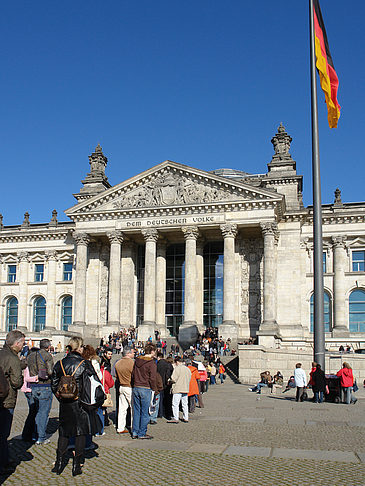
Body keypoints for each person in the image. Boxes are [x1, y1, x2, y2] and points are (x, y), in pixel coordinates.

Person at [51, 337, 101, 476]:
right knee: (80, 433)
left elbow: (54, 384)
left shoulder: (60, 363)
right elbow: (94, 383)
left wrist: (61, 397)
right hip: (80, 403)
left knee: (64, 433)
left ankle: (59, 464)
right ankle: (76, 466)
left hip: (65, 403)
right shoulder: (84, 364)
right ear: (79, 348)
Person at [0, 330, 25, 474]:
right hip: (7, 399)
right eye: (22, 343)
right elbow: (16, 383)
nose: (23, 346)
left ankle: (5, 459)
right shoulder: (13, 358)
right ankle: (3, 464)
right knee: (3, 434)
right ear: (16, 343)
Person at [26, 338, 54, 444]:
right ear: (48, 347)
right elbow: (50, 372)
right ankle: (41, 437)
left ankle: (34, 435)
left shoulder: (31, 355)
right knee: (43, 412)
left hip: (33, 386)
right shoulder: (47, 356)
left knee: (35, 411)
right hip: (45, 385)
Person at [131, 343, 157, 439]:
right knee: (145, 412)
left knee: (137, 411)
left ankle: (135, 432)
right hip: (145, 388)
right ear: (152, 351)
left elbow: (133, 374)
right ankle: (142, 433)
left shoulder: (137, 361)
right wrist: (154, 389)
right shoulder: (151, 363)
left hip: (136, 387)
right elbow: (153, 378)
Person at [115, 346, 135, 434]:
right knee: (133, 409)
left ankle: (120, 427)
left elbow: (116, 376)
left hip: (121, 386)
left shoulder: (117, 363)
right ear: (128, 353)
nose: (134, 354)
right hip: (129, 387)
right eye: (133, 352)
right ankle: (134, 427)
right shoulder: (132, 363)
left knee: (122, 409)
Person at [167, 357, 191, 423]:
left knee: (175, 404)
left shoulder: (177, 369)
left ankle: (176, 418)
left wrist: (169, 381)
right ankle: (186, 417)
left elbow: (173, 378)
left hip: (177, 388)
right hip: (185, 388)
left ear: (177, 362)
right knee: (185, 404)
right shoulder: (187, 369)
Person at [21, 366, 39, 442]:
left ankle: (30, 433)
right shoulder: (28, 366)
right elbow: (27, 378)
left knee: (33, 412)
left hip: (31, 390)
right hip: (29, 390)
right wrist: (37, 377)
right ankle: (28, 434)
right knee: (33, 413)